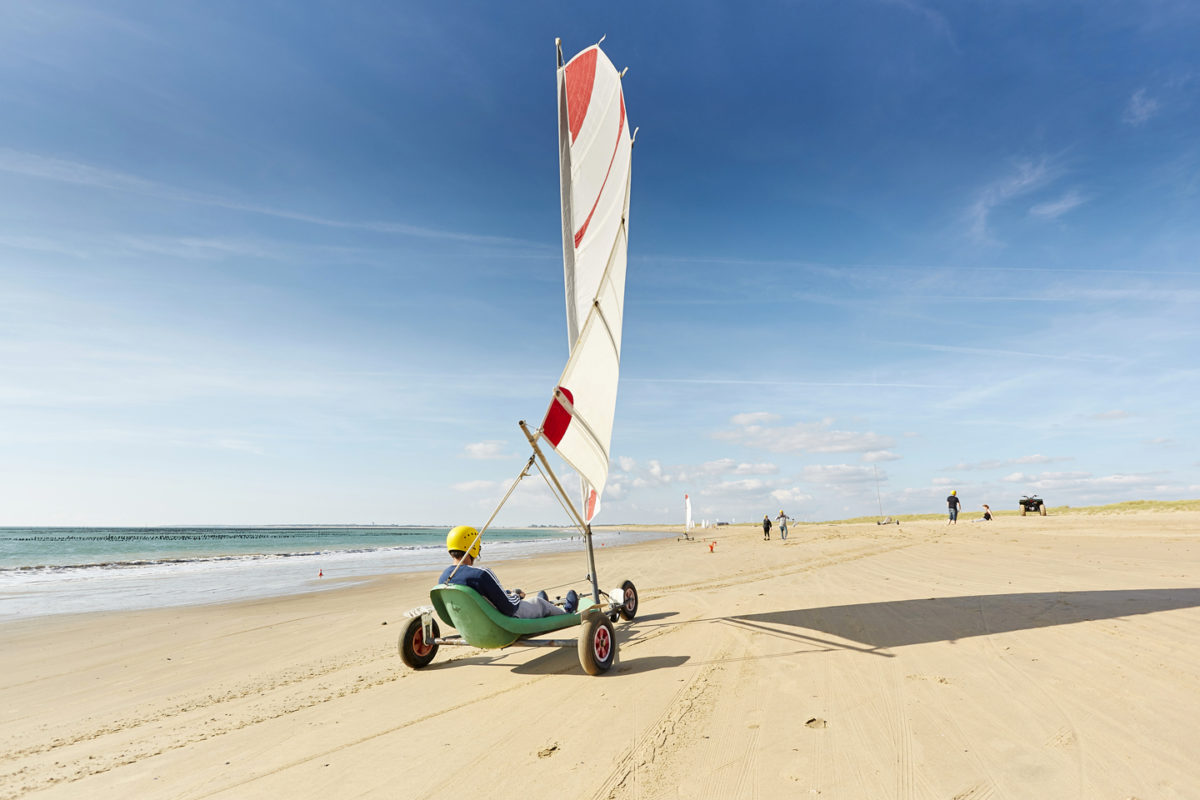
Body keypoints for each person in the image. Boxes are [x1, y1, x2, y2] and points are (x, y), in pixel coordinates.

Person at [437, 525, 578, 618]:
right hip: (504, 620)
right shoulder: (481, 574)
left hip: (475, 620)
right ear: (473, 547)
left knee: (530, 601)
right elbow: (510, 608)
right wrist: (516, 595)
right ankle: (567, 612)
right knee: (538, 603)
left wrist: (508, 594)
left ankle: (545, 603)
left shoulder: (444, 578)